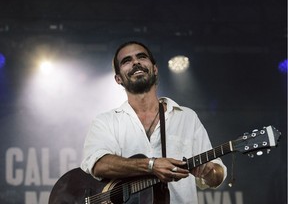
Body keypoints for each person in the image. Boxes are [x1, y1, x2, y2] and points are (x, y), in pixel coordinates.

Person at [81, 41, 227, 204]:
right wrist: (151, 165)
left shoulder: (186, 117)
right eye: (126, 61)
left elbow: (217, 175)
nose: (136, 62)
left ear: (155, 69)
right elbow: (99, 164)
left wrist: (209, 173)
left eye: (141, 57)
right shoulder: (106, 121)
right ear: (118, 79)